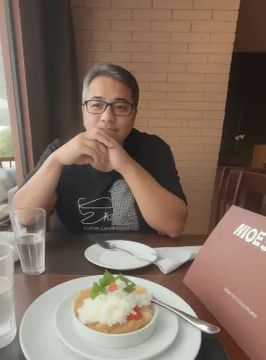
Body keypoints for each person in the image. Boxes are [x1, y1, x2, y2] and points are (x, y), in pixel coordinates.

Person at [13, 63, 188, 237]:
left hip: (139, 257)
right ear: (84, 112)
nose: (107, 118)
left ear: (134, 114)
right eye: (97, 105)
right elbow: (23, 217)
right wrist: (55, 161)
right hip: (73, 259)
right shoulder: (60, 151)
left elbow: (173, 226)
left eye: (120, 107)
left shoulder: (154, 149)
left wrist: (125, 164)